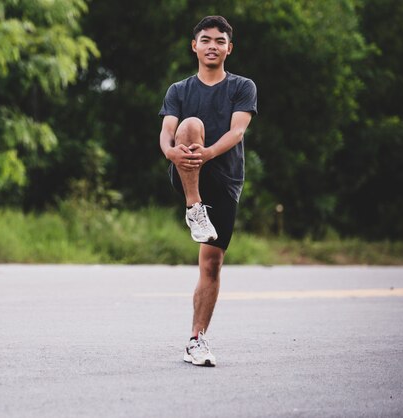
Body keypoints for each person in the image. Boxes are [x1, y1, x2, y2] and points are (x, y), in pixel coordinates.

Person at [158, 15, 257, 367]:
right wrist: (172, 152)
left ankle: (196, 340)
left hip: (225, 180)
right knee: (190, 125)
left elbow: (237, 132)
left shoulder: (242, 86)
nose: (212, 45)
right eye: (205, 39)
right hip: (186, 175)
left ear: (229, 48)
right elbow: (168, 132)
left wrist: (209, 153)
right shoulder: (179, 90)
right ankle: (193, 207)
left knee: (211, 264)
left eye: (219, 40)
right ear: (194, 46)